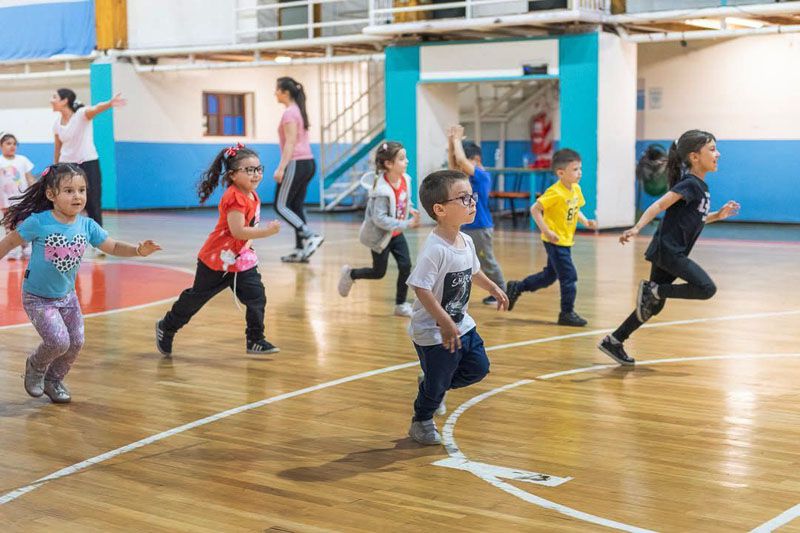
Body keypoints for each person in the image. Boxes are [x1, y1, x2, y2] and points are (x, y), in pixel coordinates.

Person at [0, 163, 161, 403]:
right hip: (38, 298)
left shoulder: (87, 226)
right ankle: (36, 365)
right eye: (69, 190)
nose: (77, 196)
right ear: (51, 195)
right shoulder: (39, 222)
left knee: (75, 342)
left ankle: (54, 380)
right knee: (58, 341)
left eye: (82, 190)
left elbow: (113, 246)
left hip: (67, 296)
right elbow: (9, 242)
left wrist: (138, 250)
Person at [599, 130, 740, 365]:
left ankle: (614, 340)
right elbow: (659, 205)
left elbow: (696, 219)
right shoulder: (690, 184)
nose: (718, 154)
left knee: (653, 306)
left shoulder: (700, 186)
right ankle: (654, 290)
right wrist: (636, 228)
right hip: (669, 251)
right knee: (706, 288)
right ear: (695, 157)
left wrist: (718, 215)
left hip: (672, 251)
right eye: (712, 149)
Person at [406, 169, 508, 445]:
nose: (472, 202)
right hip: (434, 331)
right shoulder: (435, 249)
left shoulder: (467, 240)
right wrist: (444, 322)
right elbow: (421, 288)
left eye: (472, 196)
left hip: (461, 324)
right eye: (463, 198)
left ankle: (431, 386)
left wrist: (493, 287)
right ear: (439, 209)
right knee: (438, 381)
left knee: (478, 368)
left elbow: (474, 271)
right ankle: (422, 420)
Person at [155, 144, 282, 358]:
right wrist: (267, 232)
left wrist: (249, 247)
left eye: (259, 169)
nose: (256, 174)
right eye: (249, 170)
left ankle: (255, 340)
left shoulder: (251, 194)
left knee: (256, 297)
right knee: (196, 298)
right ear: (232, 175)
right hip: (217, 260)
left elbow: (244, 235)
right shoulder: (234, 197)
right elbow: (238, 231)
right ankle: (167, 326)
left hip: (241, 260)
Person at [504, 148, 597, 327]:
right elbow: (535, 209)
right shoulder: (555, 191)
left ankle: (518, 286)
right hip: (555, 241)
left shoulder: (576, 189)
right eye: (575, 170)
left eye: (580, 169)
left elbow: (575, 209)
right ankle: (567, 313)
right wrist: (546, 231)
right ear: (561, 173)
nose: (580, 173)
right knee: (569, 276)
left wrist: (586, 222)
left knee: (549, 276)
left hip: (565, 240)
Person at [338, 141, 420, 317]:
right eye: (402, 159)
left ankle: (400, 304)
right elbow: (379, 219)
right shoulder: (381, 190)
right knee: (378, 272)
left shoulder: (406, 180)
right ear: (389, 164)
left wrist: (410, 209)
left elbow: (404, 200)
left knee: (406, 266)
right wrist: (406, 223)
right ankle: (350, 274)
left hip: (396, 233)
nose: (406, 162)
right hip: (380, 237)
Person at [447, 125, 507, 305]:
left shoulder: (482, 175)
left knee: (486, 261)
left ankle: (502, 290)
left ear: (477, 159)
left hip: (480, 226)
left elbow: (461, 160)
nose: (461, 165)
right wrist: (451, 141)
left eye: (465, 160)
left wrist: (457, 139)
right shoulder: (463, 178)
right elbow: (454, 163)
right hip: (467, 226)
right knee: (460, 261)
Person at [273, 77, 323, 263]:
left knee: (280, 205)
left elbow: (291, 143)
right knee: (295, 207)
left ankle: (310, 236)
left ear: (285, 92)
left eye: (277, 90)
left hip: (297, 163)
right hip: (307, 163)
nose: (275, 93)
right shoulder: (298, 111)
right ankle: (300, 249)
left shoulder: (289, 113)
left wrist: (281, 168)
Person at [0, 133, 36, 259]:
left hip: (22, 199)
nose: (12, 146)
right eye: (8, 143)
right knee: (9, 223)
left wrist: (34, 190)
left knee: (23, 222)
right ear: (1, 145)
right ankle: (12, 248)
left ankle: (26, 246)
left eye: (14, 144)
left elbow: (29, 177)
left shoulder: (22, 160)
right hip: (5, 199)